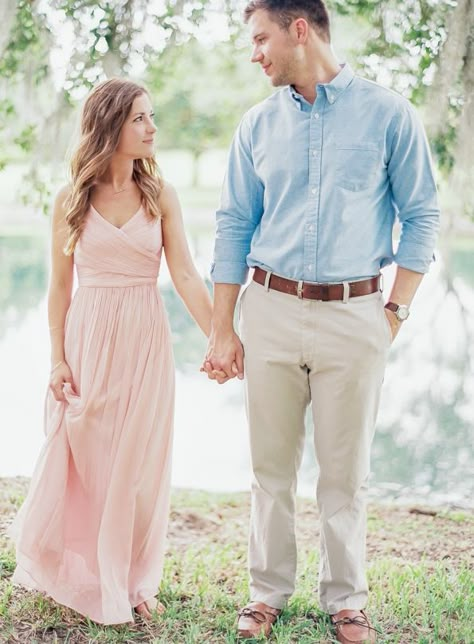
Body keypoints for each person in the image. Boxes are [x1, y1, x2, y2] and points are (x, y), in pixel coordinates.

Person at [202, 1, 440, 642]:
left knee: (345, 473)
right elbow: (233, 226)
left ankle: (346, 602)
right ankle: (266, 594)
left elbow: (422, 215)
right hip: (271, 309)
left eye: (260, 39)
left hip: (356, 314)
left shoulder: (389, 114)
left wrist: (395, 309)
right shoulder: (255, 125)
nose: (255, 53)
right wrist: (224, 329)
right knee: (269, 469)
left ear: (298, 29)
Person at [7, 78, 213, 625]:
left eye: (151, 116)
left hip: (145, 338)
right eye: (141, 118)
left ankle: (134, 579)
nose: (153, 128)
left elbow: (187, 274)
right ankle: (91, 571)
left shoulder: (158, 194)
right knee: (91, 461)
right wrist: (57, 358)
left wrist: (221, 336)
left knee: (140, 467)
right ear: (110, 126)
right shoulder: (72, 198)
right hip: (87, 340)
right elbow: (59, 288)